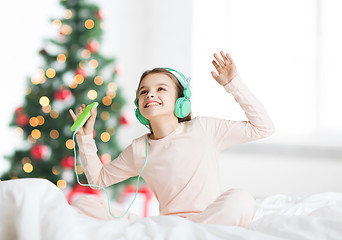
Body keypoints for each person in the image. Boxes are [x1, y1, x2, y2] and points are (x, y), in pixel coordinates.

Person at [69, 51, 275, 228]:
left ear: (181, 101)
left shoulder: (204, 128)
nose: (150, 95)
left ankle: (189, 234)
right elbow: (98, 180)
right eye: (144, 91)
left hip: (209, 220)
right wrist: (85, 138)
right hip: (168, 226)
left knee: (241, 200)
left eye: (160, 89)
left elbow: (263, 128)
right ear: (139, 106)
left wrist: (233, 84)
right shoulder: (139, 149)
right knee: (84, 203)